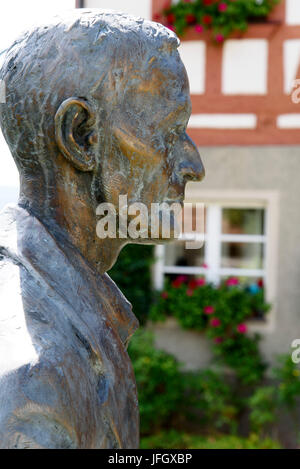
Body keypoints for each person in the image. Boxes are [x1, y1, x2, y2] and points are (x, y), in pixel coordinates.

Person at [0, 9, 204, 448]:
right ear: (81, 136)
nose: (193, 165)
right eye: (169, 132)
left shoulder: (73, 314)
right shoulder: (34, 388)